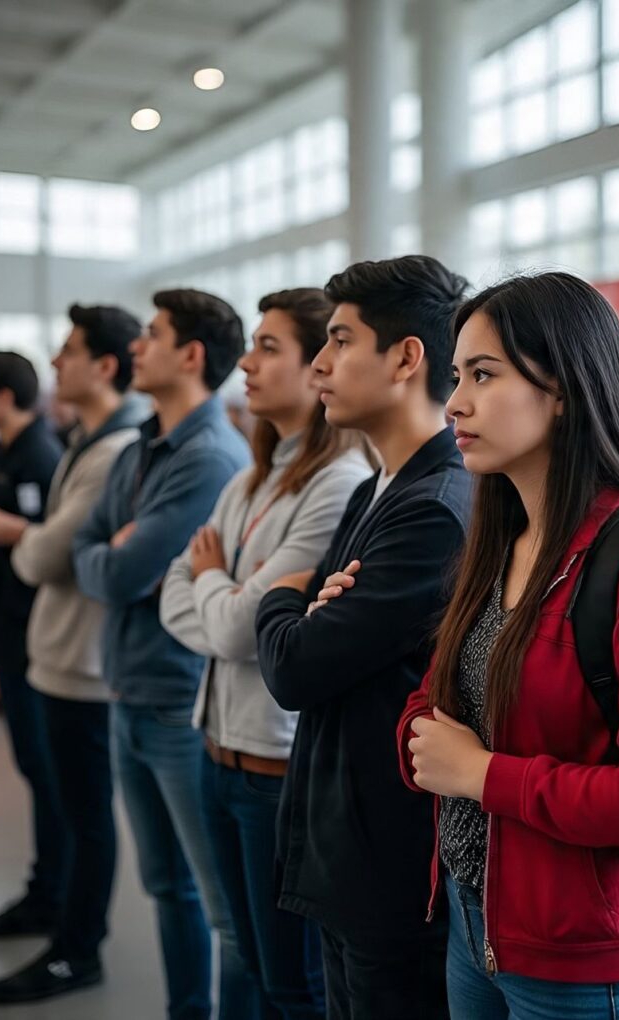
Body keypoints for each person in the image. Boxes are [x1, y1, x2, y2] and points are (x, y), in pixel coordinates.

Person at [393, 273, 619, 1020]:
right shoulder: (503, 535)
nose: (454, 404)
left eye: (483, 375)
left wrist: (481, 774)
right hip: (480, 931)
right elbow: (439, 701)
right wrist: (425, 740)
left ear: (566, 388)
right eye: (456, 377)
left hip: (596, 969)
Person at [254, 256, 473, 1020]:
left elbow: (297, 669)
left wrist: (281, 597)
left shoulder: (436, 507)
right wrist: (303, 609)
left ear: (406, 358)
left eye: (341, 340)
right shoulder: (375, 485)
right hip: (346, 845)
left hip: (389, 862)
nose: (319, 363)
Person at [160, 288, 375, 1019]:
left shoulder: (336, 483)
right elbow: (175, 595)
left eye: (268, 347)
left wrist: (213, 581)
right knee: (250, 961)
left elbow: (232, 630)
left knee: (292, 986)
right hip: (215, 750)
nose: (245, 364)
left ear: (319, 365)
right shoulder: (252, 476)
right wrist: (223, 592)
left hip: (272, 774)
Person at [72, 289, 252, 1020]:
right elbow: (93, 553)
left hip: (179, 703)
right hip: (131, 693)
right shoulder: (143, 444)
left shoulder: (210, 457)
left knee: (224, 911)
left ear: (190, 356)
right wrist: (111, 555)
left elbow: (121, 570)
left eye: (152, 334)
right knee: (167, 887)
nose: (136, 347)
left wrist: (114, 554)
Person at [0, 305, 144, 1003]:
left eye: (68, 351)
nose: (55, 363)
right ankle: (51, 909)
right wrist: (36, 540)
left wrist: (28, 538)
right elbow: (51, 545)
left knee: (85, 813)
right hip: (55, 654)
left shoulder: (109, 450)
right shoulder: (84, 441)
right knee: (61, 799)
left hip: (83, 663)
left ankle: (77, 950)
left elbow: (46, 553)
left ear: (105, 365)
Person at [0, 352, 67, 939]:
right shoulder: (1, 454)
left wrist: (14, 534)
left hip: (35, 637)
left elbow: (45, 554)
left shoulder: (40, 456)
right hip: (6, 631)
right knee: (35, 767)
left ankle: (52, 898)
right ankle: (44, 889)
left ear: (5, 395)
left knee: (48, 772)